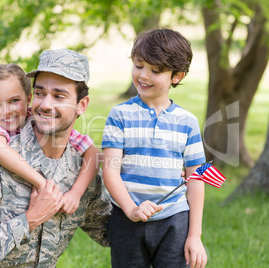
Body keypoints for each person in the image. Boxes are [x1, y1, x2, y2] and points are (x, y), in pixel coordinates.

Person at [0, 49, 112, 267]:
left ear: (81, 105)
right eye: (41, 93)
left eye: (59, 96)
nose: (45, 105)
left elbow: (111, 232)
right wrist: (30, 219)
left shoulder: (80, 169)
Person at [102, 28, 208, 268]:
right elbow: (110, 171)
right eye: (139, 65)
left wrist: (194, 235)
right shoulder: (120, 115)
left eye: (155, 70)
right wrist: (131, 208)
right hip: (126, 219)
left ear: (177, 76)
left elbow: (196, 178)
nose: (144, 76)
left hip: (174, 220)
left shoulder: (187, 121)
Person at [0, 63, 101, 214]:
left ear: (28, 99)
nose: (6, 111)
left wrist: (76, 193)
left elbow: (94, 153)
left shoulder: (36, 119)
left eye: (14, 101)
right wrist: (43, 184)